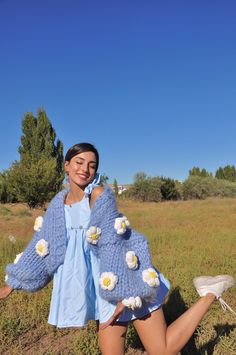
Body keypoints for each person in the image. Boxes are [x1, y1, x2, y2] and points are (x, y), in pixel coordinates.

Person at [0, 142, 235, 355]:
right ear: (67, 165)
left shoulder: (99, 195)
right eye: (79, 162)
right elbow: (43, 245)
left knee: (161, 350)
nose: (85, 169)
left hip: (125, 280)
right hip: (101, 289)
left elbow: (114, 243)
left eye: (91, 165)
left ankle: (210, 292)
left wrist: (124, 294)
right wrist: (13, 283)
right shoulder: (58, 204)